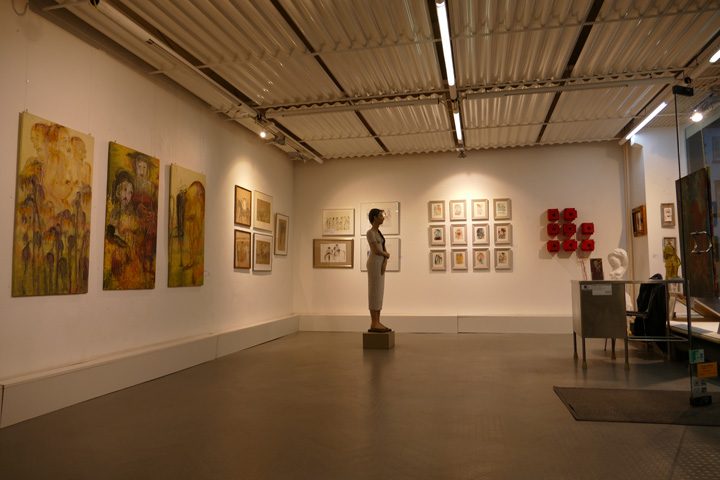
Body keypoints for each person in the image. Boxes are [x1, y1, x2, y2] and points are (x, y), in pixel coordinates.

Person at [366, 208, 391, 332]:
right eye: (380, 216)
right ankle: (374, 322)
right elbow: (376, 250)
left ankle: (377, 321)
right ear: (374, 218)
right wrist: (386, 255)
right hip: (374, 264)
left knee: (379, 292)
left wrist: (385, 261)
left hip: (380, 264)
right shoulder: (370, 232)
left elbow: (384, 248)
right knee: (374, 291)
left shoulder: (379, 233)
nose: (383, 218)